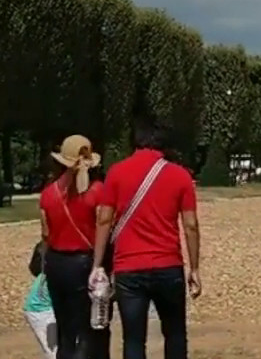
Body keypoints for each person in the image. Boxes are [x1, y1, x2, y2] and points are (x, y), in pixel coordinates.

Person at [91, 119, 201, 359]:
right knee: (175, 334)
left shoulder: (117, 172)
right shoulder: (180, 175)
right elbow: (190, 225)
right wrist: (194, 268)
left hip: (128, 267)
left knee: (133, 339)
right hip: (168, 264)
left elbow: (104, 220)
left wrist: (97, 264)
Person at [38, 135, 108, 359]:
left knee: (65, 329)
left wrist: (44, 265)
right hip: (84, 262)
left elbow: (46, 234)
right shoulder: (97, 191)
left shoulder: (48, 193)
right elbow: (103, 228)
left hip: (56, 263)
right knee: (88, 328)